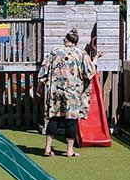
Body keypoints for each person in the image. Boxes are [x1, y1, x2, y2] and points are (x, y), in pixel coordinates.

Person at [37, 28, 98, 157]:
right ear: (76, 41)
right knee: (71, 119)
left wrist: (40, 86)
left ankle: (47, 148)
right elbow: (90, 72)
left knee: (54, 117)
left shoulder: (54, 52)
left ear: (66, 39)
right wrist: (96, 58)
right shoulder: (81, 54)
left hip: (55, 91)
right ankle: (70, 150)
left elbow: (44, 71)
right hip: (73, 92)